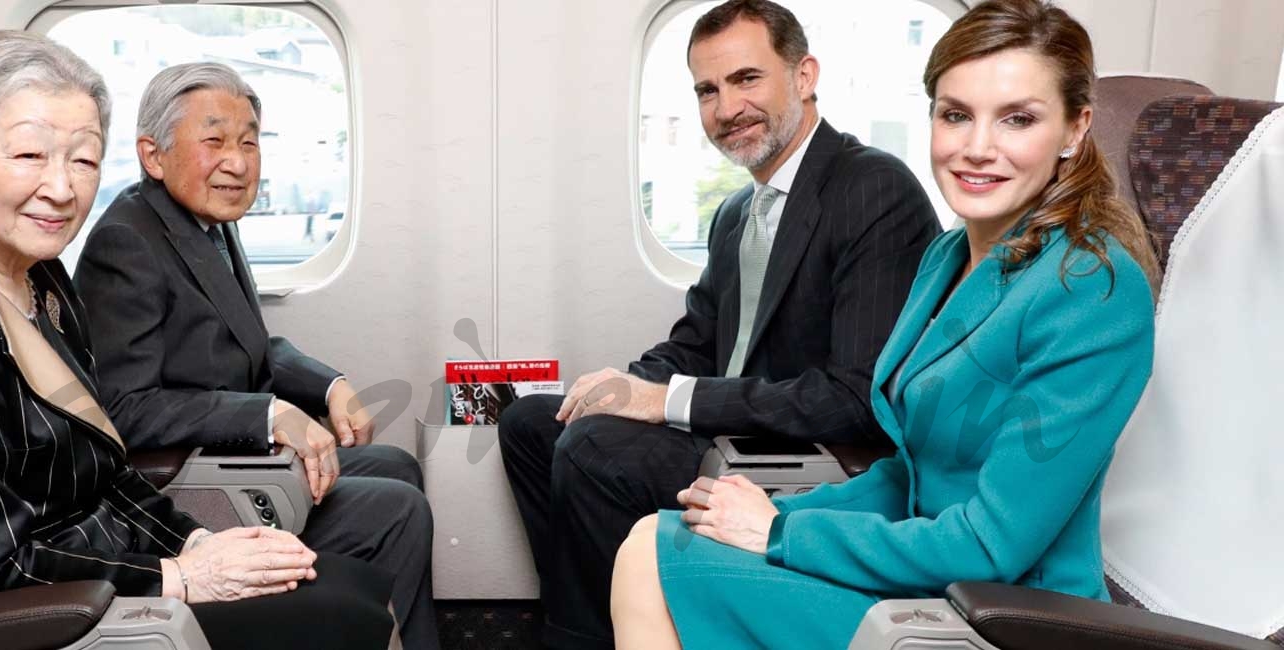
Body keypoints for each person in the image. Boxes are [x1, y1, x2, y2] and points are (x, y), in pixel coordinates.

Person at [610, 0, 1163, 647]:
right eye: (956, 115)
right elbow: (910, 476)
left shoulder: (1091, 288)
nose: (977, 148)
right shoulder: (947, 257)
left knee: (652, 561)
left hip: (1004, 613)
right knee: (656, 534)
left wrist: (782, 533)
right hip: (928, 575)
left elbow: (992, 544)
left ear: (1075, 130)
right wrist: (769, 512)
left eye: (1017, 119)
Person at [0, 31, 397, 648]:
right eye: (29, 157)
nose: (62, 188)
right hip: (27, 620)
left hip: (98, 574)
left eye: (83, 159)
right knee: (346, 614)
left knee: (349, 585)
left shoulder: (40, 282)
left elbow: (106, 476)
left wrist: (196, 541)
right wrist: (179, 577)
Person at [498, 0, 941, 645]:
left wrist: (666, 400)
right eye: (707, 90)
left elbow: (854, 398)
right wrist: (623, 387)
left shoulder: (872, 188)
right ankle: (599, 615)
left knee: (594, 451)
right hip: (738, 429)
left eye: (746, 79)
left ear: (805, 75)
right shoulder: (737, 212)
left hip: (812, 453)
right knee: (536, 423)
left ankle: (582, 637)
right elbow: (699, 341)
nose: (726, 108)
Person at [72, 63, 437, 650]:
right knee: (396, 509)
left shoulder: (205, 221)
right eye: (214, 141)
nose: (238, 163)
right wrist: (267, 414)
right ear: (153, 155)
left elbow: (246, 341)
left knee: (396, 466)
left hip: (230, 457)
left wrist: (328, 386)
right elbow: (124, 406)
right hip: (184, 481)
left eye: (249, 142)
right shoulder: (129, 242)